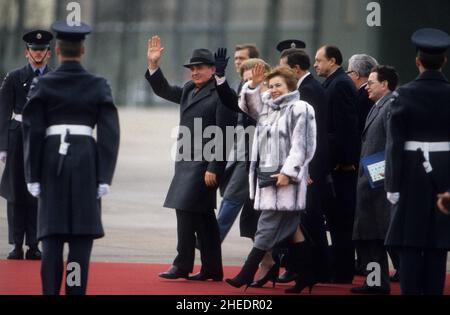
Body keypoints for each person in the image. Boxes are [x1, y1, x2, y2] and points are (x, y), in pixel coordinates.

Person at [22, 21, 120, 295]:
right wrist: (104, 176)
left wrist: (32, 175)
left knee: (51, 238)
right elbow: (110, 134)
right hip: (86, 163)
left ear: (58, 51)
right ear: (83, 50)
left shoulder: (44, 83)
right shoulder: (99, 84)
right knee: (79, 238)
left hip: (52, 162)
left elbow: (33, 130)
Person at [146, 36, 235, 282]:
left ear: (212, 70)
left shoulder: (222, 94)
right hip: (185, 162)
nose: (194, 72)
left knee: (185, 210)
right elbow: (163, 89)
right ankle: (212, 269)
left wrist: (214, 168)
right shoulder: (188, 90)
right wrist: (154, 66)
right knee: (204, 218)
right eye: (192, 68)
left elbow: (224, 135)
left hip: (205, 165)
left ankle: (182, 264)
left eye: (200, 68)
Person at [224, 63, 317, 294]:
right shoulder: (268, 107)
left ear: (290, 86)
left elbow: (303, 145)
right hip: (266, 176)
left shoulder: (300, 108)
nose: (274, 89)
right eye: (271, 85)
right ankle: (308, 275)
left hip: (285, 179)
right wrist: (254, 85)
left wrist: (288, 172)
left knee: (265, 225)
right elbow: (246, 106)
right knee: (292, 229)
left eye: (279, 85)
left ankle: (247, 272)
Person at [385, 28, 450, 295]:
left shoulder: (403, 94)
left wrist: (392, 184)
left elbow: (394, 144)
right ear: (444, 61)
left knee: (410, 242)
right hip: (445, 175)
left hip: (411, 173)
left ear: (417, 61)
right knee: (438, 242)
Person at [279, 48, 331, 284]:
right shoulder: (307, 87)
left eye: (284, 67)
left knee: (308, 220)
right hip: (305, 167)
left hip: (307, 169)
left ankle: (308, 269)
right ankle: (309, 268)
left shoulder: (307, 90)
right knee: (306, 219)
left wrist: (308, 169)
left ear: (296, 69)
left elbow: (311, 135)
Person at [0, 29, 53, 260]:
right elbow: (3, 112)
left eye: (42, 50)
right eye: (34, 50)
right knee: (16, 192)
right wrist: (2, 145)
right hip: (18, 135)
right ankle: (16, 243)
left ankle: (34, 243)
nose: (38, 53)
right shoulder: (13, 77)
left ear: (49, 53)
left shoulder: (54, 78)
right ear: (26, 52)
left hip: (42, 137)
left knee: (37, 191)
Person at [350, 65, 399, 295]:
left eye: (371, 82)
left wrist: (378, 179)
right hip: (369, 182)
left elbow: (392, 146)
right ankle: (373, 282)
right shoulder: (377, 105)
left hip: (377, 184)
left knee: (374, 237)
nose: (367, 86)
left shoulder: (390, 106)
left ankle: (377, 283)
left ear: (385, 84)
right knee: (368, 237)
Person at [314, 45, 359, 284]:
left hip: (341, 168)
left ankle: (343, 272)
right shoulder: (334, 82)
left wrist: (345, 161)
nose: (315, 64)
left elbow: (346, 127)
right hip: (335, 165)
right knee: (336, 221)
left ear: (333, 61)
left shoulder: (340, 84)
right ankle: (339, 269)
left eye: (319, 60)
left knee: (341, 223)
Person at [217, 44, 260, 243]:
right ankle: (270, 253)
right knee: (241, 200)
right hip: (239, 150)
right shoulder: (243, 84)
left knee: (233, 197)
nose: (237, 62)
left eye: (242, 58)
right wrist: (220, 77)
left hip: (253, 155)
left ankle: (212, 240)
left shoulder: (260, 89)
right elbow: (232, 103)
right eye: (236, 59)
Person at [346, 54, 378, 137]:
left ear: (356, 74)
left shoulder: (362, 97)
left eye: (348, 72)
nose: (346, 76)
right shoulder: (375, 94)